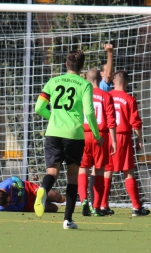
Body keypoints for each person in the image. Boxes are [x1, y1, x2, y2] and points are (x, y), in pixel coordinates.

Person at [34, 50, 103, 229]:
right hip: (74, 135)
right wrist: (96, 135)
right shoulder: (85, 84)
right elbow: (89, 112)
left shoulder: (53, 81)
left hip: (53, 133)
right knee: (73, 176)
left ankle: (43, 189)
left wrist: (54, 119)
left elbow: (39, 107)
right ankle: (67, 220)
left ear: (66, 64)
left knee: (52, 173)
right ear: (82, 67)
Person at [105, 70, 150, 216]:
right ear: (127, 83)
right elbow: (135, 123)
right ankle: (137, 207)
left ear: (113, 82)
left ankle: (102, 205)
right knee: (128, 172)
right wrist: (140, 139)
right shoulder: (130, 99)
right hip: (123, 137)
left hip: (107, 136)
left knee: (107, 171)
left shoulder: (107, 95)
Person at [78, 69, 116, 217]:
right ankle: (96, 206)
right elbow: (111, 120)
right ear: (98, 79)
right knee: (99, 170)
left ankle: (83, 200)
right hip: (100, 135)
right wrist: (113, 140)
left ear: (87, 80)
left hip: (83, 134)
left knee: (82, 169)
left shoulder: (82, 95)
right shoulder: (106, 96)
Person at [0, 176, 65, 212]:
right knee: (54, 208)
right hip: (26, 205)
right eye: (7, 204)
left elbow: (16, 179)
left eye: (8, 200)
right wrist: (21, 197)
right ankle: (40, 202)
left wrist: (21, 188)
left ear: (4, 191)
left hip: (28, 189)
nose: (8, 203)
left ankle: (64, 199)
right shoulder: (0, 208)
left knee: (57, 197)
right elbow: (19, 208)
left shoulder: (7, 184)